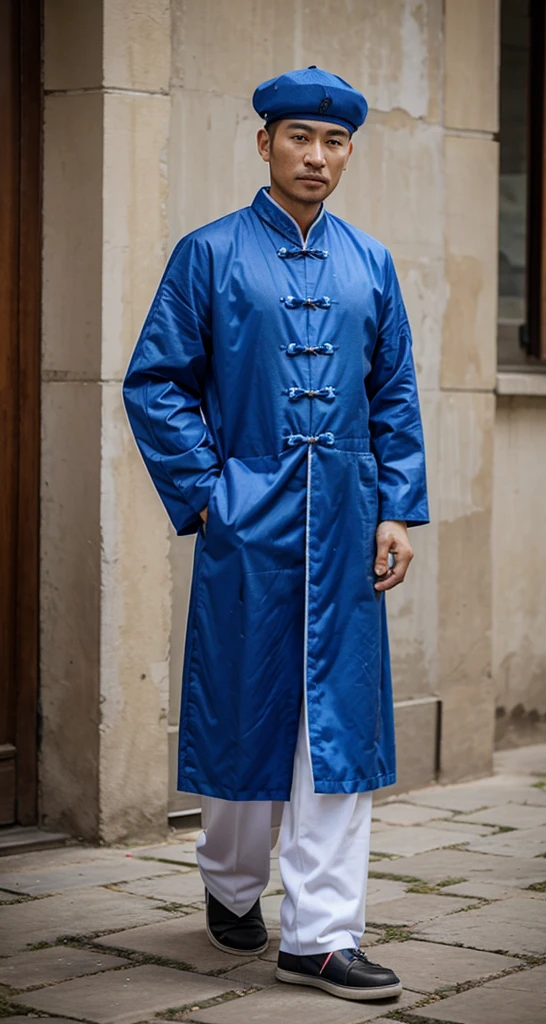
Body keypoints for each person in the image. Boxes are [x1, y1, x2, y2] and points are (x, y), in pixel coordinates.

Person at [123, 65, 428, 1003]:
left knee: (338, 729)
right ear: (265, 143)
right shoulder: (207, 254)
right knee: (240, 711)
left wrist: (396, 507)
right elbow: (157, 383)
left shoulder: (372, 263)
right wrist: (210, 493)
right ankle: (229, 883)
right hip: (246, 517)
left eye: (335, 142)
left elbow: (395, 394)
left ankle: (323, 935)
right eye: (301, 137)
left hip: (345, 521)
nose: (318, 156)